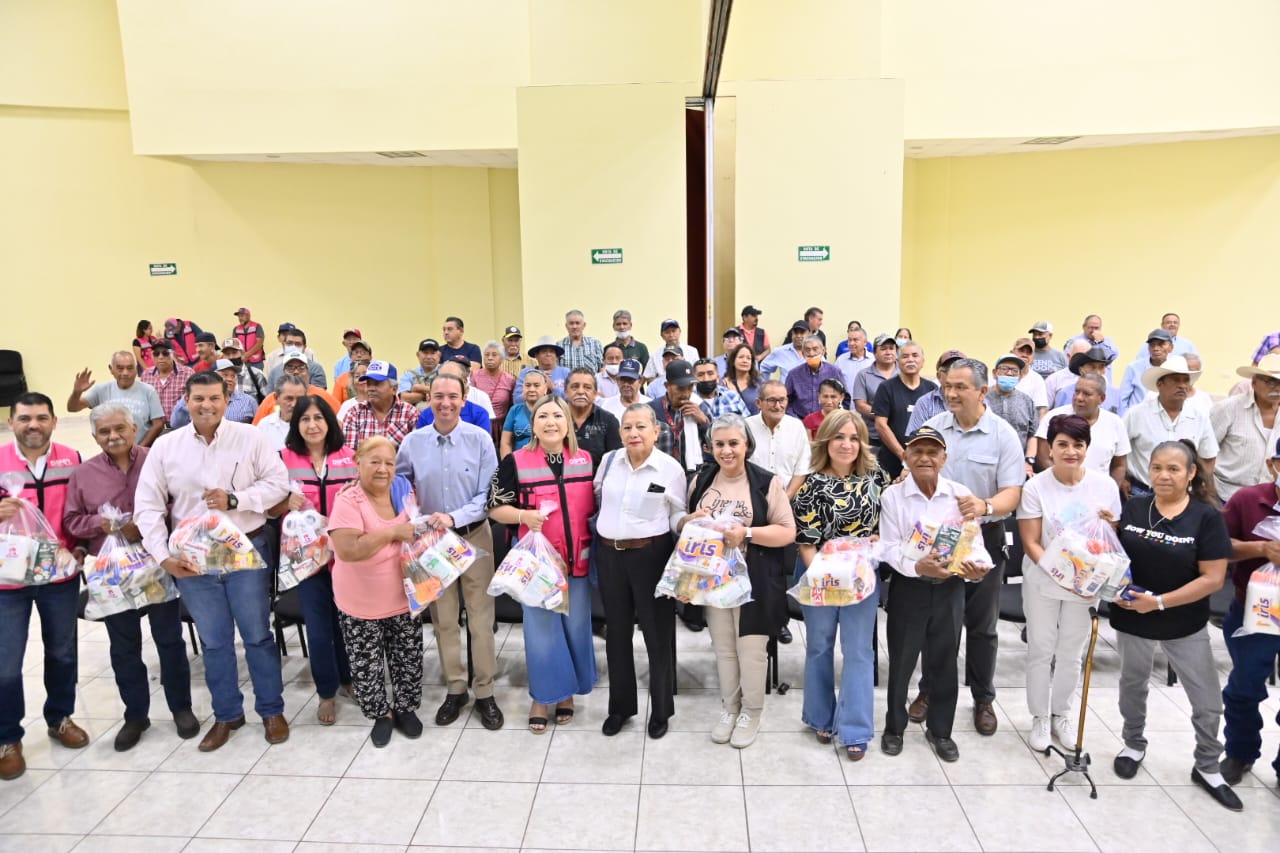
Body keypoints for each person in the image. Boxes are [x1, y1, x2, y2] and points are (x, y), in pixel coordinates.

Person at [134, 371, 292, 752]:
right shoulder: (166, 446)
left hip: (246, 550)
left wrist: (236, 499)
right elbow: (147, 507)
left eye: (214, 398)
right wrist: (163, 557)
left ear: (227, 400)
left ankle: (271, 710)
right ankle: (227, 715)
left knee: (257, 635)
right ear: (186, 401)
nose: (206, 405)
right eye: (199, 399)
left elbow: (278, 485)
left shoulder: (251, 437)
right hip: (193, 560)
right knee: (215, 642)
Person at [1110, 440, 1241, 811]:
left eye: (1173, 469)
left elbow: (1213, 579)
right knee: (1132, 686)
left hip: (1184, 621)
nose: (1163, 476)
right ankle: (1133, 745)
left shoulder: (1207, 517)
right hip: (1133, 615)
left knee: (1207, 700)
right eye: (1157, 468)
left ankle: (1207, 765)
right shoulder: (1135, 507)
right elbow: (1118, 557)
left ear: (1191, 473)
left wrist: (1160, 602)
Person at [63, 402, 196, 751]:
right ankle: (136, 715)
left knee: (169, 639)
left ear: (134, 428)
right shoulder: (83, 474)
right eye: (104, 431)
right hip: (113, 574)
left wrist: (150, 523)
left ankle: (181, 707)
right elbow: (72, 521)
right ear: (95, 436)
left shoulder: (158, 459)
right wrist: (102, 524)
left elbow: (180, 504)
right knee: (124, 647)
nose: (113, 436)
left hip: (157, 564)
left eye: (119, 428)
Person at [920, 359, 1025, 735]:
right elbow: (917, 475)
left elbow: (1013, 492)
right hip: (941, 539)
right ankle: (929, 690)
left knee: (982, 626)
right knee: (937, 623)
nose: (950, 393)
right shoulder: (934, 429)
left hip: (985, 538)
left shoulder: (1003, 435)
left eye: (960, 387)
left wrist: (985, 506)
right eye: (947, 386)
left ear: (982, 391)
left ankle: (983, 698)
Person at [397, 374, 504, 731]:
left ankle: (485, 691)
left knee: (481, 619)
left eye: (453, 396)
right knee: (444, 621)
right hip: (432, 544)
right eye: (438, 396)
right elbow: (401, 486)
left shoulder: (480, 439)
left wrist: (454, 517)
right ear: (428, 398)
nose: (445, 403)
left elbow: (488, 494)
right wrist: (417, 517)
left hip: (474, 537)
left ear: (464, 398)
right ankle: (456, 688)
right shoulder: (413, 442)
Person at [487, 394, 598, 734]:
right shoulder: (515, 462)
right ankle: (543, 697)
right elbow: (495, 508)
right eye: (543, 417)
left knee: (575, 628)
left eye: (557, 416)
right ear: (532, 426)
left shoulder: (587, 460)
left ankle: (567, 694)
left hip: (577, 562)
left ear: (568, 423)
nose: (551, 422)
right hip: (537, 567)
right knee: (541, 632)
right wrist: (523, 516)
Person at [689, 414, 796, 748]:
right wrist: (690, 521)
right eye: (719, 444)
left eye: (734, 443)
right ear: (710, 447)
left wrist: (747, 533)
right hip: (713, 579)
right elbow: (686, 522)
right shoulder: (702, 480)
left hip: (755, 581)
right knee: (724, 649)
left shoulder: (766, 482)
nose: (727, 450)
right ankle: (730, 707)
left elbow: (787, 531)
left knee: (750, 651)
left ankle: (751, 711)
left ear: (747, 445)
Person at [1017, 414, 1122, 753]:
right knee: (1040, 648)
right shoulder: (1036, 487)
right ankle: (1039, 717)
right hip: (1043, 579)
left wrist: (1110, 525)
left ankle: (1061, 715)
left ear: (1087, 448)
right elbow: (1031, 542)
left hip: (1085, 584)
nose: (1071, 451)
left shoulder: (1105, 486)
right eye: (1062, 444)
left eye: (1078, 445)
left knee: (1072, 651)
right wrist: (1060, 574)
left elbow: (1109, 539)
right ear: (1050, 448)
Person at [791, 410, 889, 760]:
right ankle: (819, 716)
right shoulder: (810, 484)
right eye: (839, 437)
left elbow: (890, 525)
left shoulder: (877, 477)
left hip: (862, 579)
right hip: (819, 576)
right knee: (819, 646)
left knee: (859, 651)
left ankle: (855, 728)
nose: (846, 444)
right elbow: (806, 542)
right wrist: (827, 579)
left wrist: (878, 540)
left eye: (853, 438)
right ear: (826, 441)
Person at [0, 393, 85, 781]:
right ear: (11, 422)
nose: (33, 425)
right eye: (24, 418)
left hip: (59, 576)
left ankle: (60, 717)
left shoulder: (72, 458)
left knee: (63, 652)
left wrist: (81, 547)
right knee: (6, 662)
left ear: (54, 421)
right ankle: (7, 738)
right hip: (7, 580)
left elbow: (80, 509)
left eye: (40, 418)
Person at [880, 426, 977, 763]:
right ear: (906, 456)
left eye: (932, 452)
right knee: (902, 662)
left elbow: (974, 541)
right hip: (909, 588)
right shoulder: (893, 496)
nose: (924, 458)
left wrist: (977, 566)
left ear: (944, 458)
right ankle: (894, 728)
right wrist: (917, 567)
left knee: (945, 663)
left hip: (950, 588)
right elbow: (889, 547)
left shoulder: (960, 494)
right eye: (917, 451)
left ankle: (941, 730)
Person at [593, 403, 689, 739]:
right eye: (627, 427)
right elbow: (599, 500)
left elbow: (676, 514)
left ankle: (661, 710)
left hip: (651, 555)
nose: (633, 433)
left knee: (656, 633)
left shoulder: (670, 469)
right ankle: (620, 708)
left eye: (641, 426)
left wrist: (686, 522)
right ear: (620, 432)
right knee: (617, 633)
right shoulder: (609, 461)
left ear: (656, 431)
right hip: (610, 555)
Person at [327, 436, 424, 747]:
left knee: (408, 658)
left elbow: (416, 530)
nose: (383, 469)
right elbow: (348, 550)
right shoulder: (348, 500)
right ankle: (381, 714)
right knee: (366, 665)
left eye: (389, 463)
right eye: (375, 462)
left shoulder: (403, 492)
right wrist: (392, 532)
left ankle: (406, 708)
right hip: (361, 602)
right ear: (358, 463)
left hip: (403, 596)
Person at [271, 395, 357, 724]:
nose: (312, 425)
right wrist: (285, 503)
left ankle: (348, 680)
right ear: (296, 425)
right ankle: (326, 693)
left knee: (347, 624)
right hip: (306, 561)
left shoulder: (349, 457)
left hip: (345, 557)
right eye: (305, 419)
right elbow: (269, 509)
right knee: (319, 630)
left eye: (318, 418)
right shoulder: (283, 460)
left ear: (329, 422)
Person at [1218, 435, 1280, 787]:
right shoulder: (1247, 499)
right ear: (1273, 465)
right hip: (1254, 613)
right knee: (1244, 686)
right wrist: (1261, 548)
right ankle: (1240, 752)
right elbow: (1218, 547)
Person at [1122, 355, 1218, 501]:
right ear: (1159, 384)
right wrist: (1122, 478)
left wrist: (1200, 485)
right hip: (1142, 493)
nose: (1182, 385)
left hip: (1185, 497)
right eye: (1175, 380)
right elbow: (1118, 450)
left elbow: (1208, 456)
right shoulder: (1136, 414)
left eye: (1186, 380)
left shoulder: (1199, 417)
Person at [1034, 374, 1130, 490]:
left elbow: (1119, 465)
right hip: (1057, 489)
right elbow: (1043, 458)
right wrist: (1065, 484)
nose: (1079, 398)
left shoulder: (1115, 423)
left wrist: (1110, 491)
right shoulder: (1054, 417)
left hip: (1098, 493)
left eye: (1086, 394)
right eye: (1076, 392)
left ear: (1102, 398)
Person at [1209, 354, 1280, 502]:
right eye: (1271, 382)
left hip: (1270, 500)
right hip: (1226, 496)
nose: (1277, 388)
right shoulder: (1228, 408)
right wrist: (1208, 494)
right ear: (1254, 382)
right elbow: (1204, 452)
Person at [67, 352, 165, 447]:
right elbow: (72, 408)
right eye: (120, 368)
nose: (125, 373)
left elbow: (158, 424)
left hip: (142, 450)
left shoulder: (148, 391)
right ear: (111, 369)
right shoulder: (101, 390)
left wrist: (139, 450)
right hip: (112, 450)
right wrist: (77, 392)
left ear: (136, 369)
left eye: (130, 368)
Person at [872, 341, 937, 479]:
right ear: (897, 361)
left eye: (915, 355)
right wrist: (904, 456)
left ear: (923, 361)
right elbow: (881, 425)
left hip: (924, 462)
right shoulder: (886, 388)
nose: (910, 360)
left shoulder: (932, 389)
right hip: (891, 461)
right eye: (905, 356)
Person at [746, 381, 811, 498]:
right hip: (752, 499)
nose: (777, 406)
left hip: (788, 499)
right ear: (758, 403)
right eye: (772, 400)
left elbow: (802, 468)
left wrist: (786, 498)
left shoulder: (796, 427)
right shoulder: (746, 427)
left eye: (782, 400)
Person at [342, 360, 420, 451]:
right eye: (369, 384)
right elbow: (349, 454)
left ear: (394, 389)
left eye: (377, 384)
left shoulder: (410, 413)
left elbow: (416, 452)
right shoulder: (354, 413)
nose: (371, 388)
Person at [986, 353, 1039, 478]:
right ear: (994, 373)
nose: (1009, 373)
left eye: (1015, 371)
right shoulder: (982, 397)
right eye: (1004, 369)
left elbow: (1033, 435)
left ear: (1020, 376)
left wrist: (1029, 462)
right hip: (986, 463)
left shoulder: (1027, 401)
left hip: (1017, 466)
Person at [254, 349, 339, 422]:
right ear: (283, 372)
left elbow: (340, 423)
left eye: (301, 367)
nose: (296, 372)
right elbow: (257, 428)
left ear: (308, 372)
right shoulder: (272, 399)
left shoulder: (323, 397)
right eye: (290, 368)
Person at [171, 359, 259, 427]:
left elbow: (258, 428)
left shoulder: (248, 401)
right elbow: (176, 424)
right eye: (225, 375)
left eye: (233, 376)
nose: (230, 379)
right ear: (211, 377)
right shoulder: (199, 401)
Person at [414, 360, 493, 433]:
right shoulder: (426, 415)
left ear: (465, 382)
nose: (448, 383)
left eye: (453, 379)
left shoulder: (479, 414)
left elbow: (483, 442)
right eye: (443, 378)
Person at [564, 368, 622, 466]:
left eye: (587, 387)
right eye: (575, 387)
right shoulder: (554, 418)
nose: (580, 391)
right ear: (566, 391)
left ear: (595, 393)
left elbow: (615, 462)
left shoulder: (608, 421)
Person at [851, 334, 899, 449]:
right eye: (883, 349)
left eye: (891, 348)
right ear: (874, 353)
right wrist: (883, 415)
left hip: (899, 436)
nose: (888, 352)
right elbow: (860, 405)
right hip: (872, 437)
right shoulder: (863, 375)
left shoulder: (904, 374)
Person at [906, 350, 966, 434]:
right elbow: (913, 438)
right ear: (939, 376)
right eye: (949, 370)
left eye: (961, 370)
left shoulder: (976, 400)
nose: (955, 374)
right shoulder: (925, 403)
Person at [1118, 328, 1175, 415]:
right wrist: (1126, 419)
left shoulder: (1174, 369)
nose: (1156, 348)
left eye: (1161, 344)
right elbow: (1122, 399)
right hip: (1137, 418)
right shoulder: (1134, 368)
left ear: (1171, 348)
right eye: (1152, 345)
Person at [785, 336, 844, 419]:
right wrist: (796, 421)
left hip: (828, 421)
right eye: (807, 350)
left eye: (815, 349)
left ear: (823, 351)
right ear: (803, 353)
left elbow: (844, 398)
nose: (811, 353)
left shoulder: (834, 372)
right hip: (800, 421)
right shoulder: (793, 374)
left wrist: (836, 418)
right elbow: (786, 400)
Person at [1050, 345, 1119, 411]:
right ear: (1081, 370)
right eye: (1092, 367)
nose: (1097, 372)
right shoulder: (1065, 393)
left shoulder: (1115, 393)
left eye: (1101, 367)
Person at [139, 341, 193, 424]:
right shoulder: (146, 375)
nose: (160, 357)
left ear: (173, 354)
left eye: (165, 353)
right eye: (156, 354)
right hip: (154, 427)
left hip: (180, 427)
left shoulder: (188, 373)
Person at [474, 341, 517, 442]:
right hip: (479, 425)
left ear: (502, 359)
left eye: (494, 355)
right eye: (487, 355)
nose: (490, 358)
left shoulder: (509, 379)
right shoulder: (474, 376)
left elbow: (512, 405)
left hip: (502, 427)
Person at [501, 370, 549, 458]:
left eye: (536, 385)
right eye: (528, 385)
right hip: (519, 461)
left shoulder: (552, 410)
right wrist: (508, 463)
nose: (531, 389)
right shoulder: (515, 410)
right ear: (523, 388)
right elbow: (505, 442)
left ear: (545, 389)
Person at [1063, 314, 1120, 378]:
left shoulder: (1106, 341)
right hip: (1081, 380)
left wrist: (1101, 342)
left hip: (1103, 380)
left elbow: (1113, 356)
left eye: (1096, 328)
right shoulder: (1074, 341)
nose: (1093, 331)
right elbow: (1067, 360)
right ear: (1084, 327)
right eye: (1091, 327)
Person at [1044, 339, 1095, 408]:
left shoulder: (1100, 379)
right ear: (1069, 356)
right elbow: (1044, 409)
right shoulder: (1054, 379)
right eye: (1079, 357)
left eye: (1087, 357)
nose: (1084, 360)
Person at [220, 339, 269, 404]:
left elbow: (268, 402)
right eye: (227, 354)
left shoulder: (257, 375)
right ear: (223, 356)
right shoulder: (217, 377)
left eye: (234, 353)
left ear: (242, 354)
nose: (231, 357)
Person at [399, 338, 443, 407]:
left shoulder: (446, 371)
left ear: (439, 355)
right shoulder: (409, 374)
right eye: (425, 353)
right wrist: (426, 395)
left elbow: (448, 392)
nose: (429, 357)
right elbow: (404, 398)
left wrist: (418, 388)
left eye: (433, 353)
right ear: (418, 355)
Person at [722, 343, 762, 415]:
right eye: (741, 357)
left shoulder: (759, 383)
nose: (745, 361)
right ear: (733, 361)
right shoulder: (722, 384)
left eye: (748, 358)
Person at [834, 327, 872, 391]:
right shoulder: (841, 360)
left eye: (855, 340)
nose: (851, 343)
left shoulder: (873, 360)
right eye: (849, 340)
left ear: (865, 342)